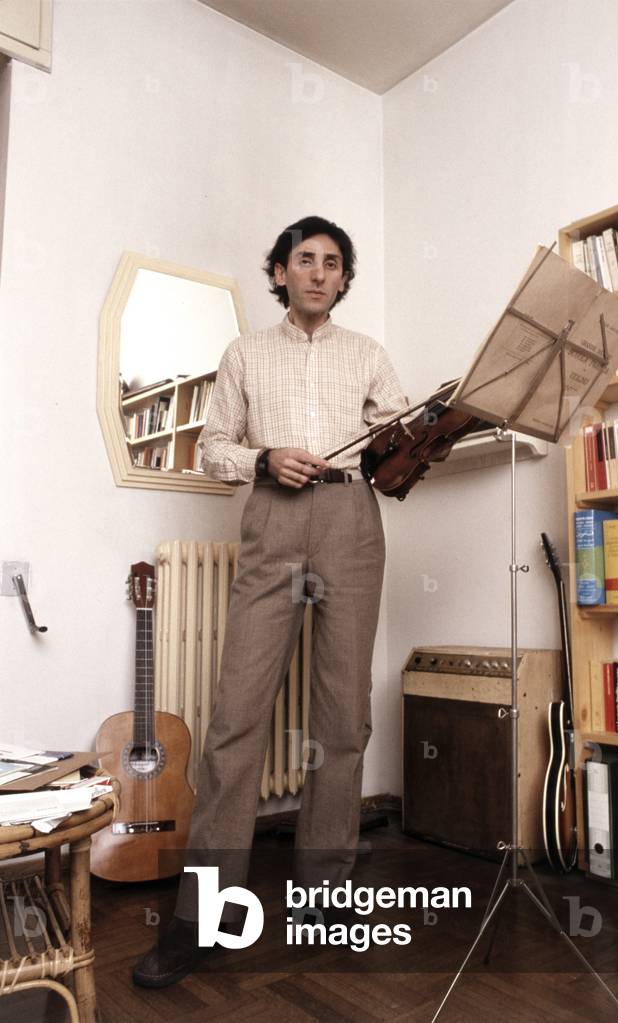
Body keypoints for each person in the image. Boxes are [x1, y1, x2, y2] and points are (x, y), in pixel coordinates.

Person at [133, 214, 407, 988]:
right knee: (236, 719)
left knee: (342, 716)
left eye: (332, 262)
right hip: (274, 519)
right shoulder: (245, 352)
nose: (318, 272)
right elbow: (213, 445)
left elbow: (395, 445)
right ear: (280, 272)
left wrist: (419, 442)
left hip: (352, 521)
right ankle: (205, 912)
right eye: (303, 260)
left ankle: (326, 890)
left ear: (345, 278)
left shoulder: (370, 356)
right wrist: (264, 458)